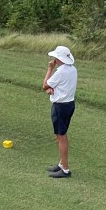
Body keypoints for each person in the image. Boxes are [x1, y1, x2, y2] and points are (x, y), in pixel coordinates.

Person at [42, 45, 77, 178]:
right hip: (69, 104)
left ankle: (65, 169)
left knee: (61, 137)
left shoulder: (60, 71)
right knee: (60, 135)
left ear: (59, 59)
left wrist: (50, 69)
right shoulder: (72, 69)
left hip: (60, 107)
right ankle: (62, 164)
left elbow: (45, 85)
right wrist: (52, 90)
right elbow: (60, 86)